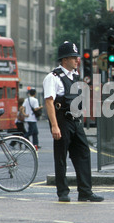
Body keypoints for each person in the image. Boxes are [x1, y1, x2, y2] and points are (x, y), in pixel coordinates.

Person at [43, 41, 104, 202]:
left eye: (77, 57)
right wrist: (54, 126)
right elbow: (49, 102)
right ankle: (63, 192)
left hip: (76, 121)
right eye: (73, 57)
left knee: (83, 154)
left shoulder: (76, 76)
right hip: (62, 120)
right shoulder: (52, 77)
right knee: (61, 157)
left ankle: (85, 191)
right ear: (64, 59)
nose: (77, 60)